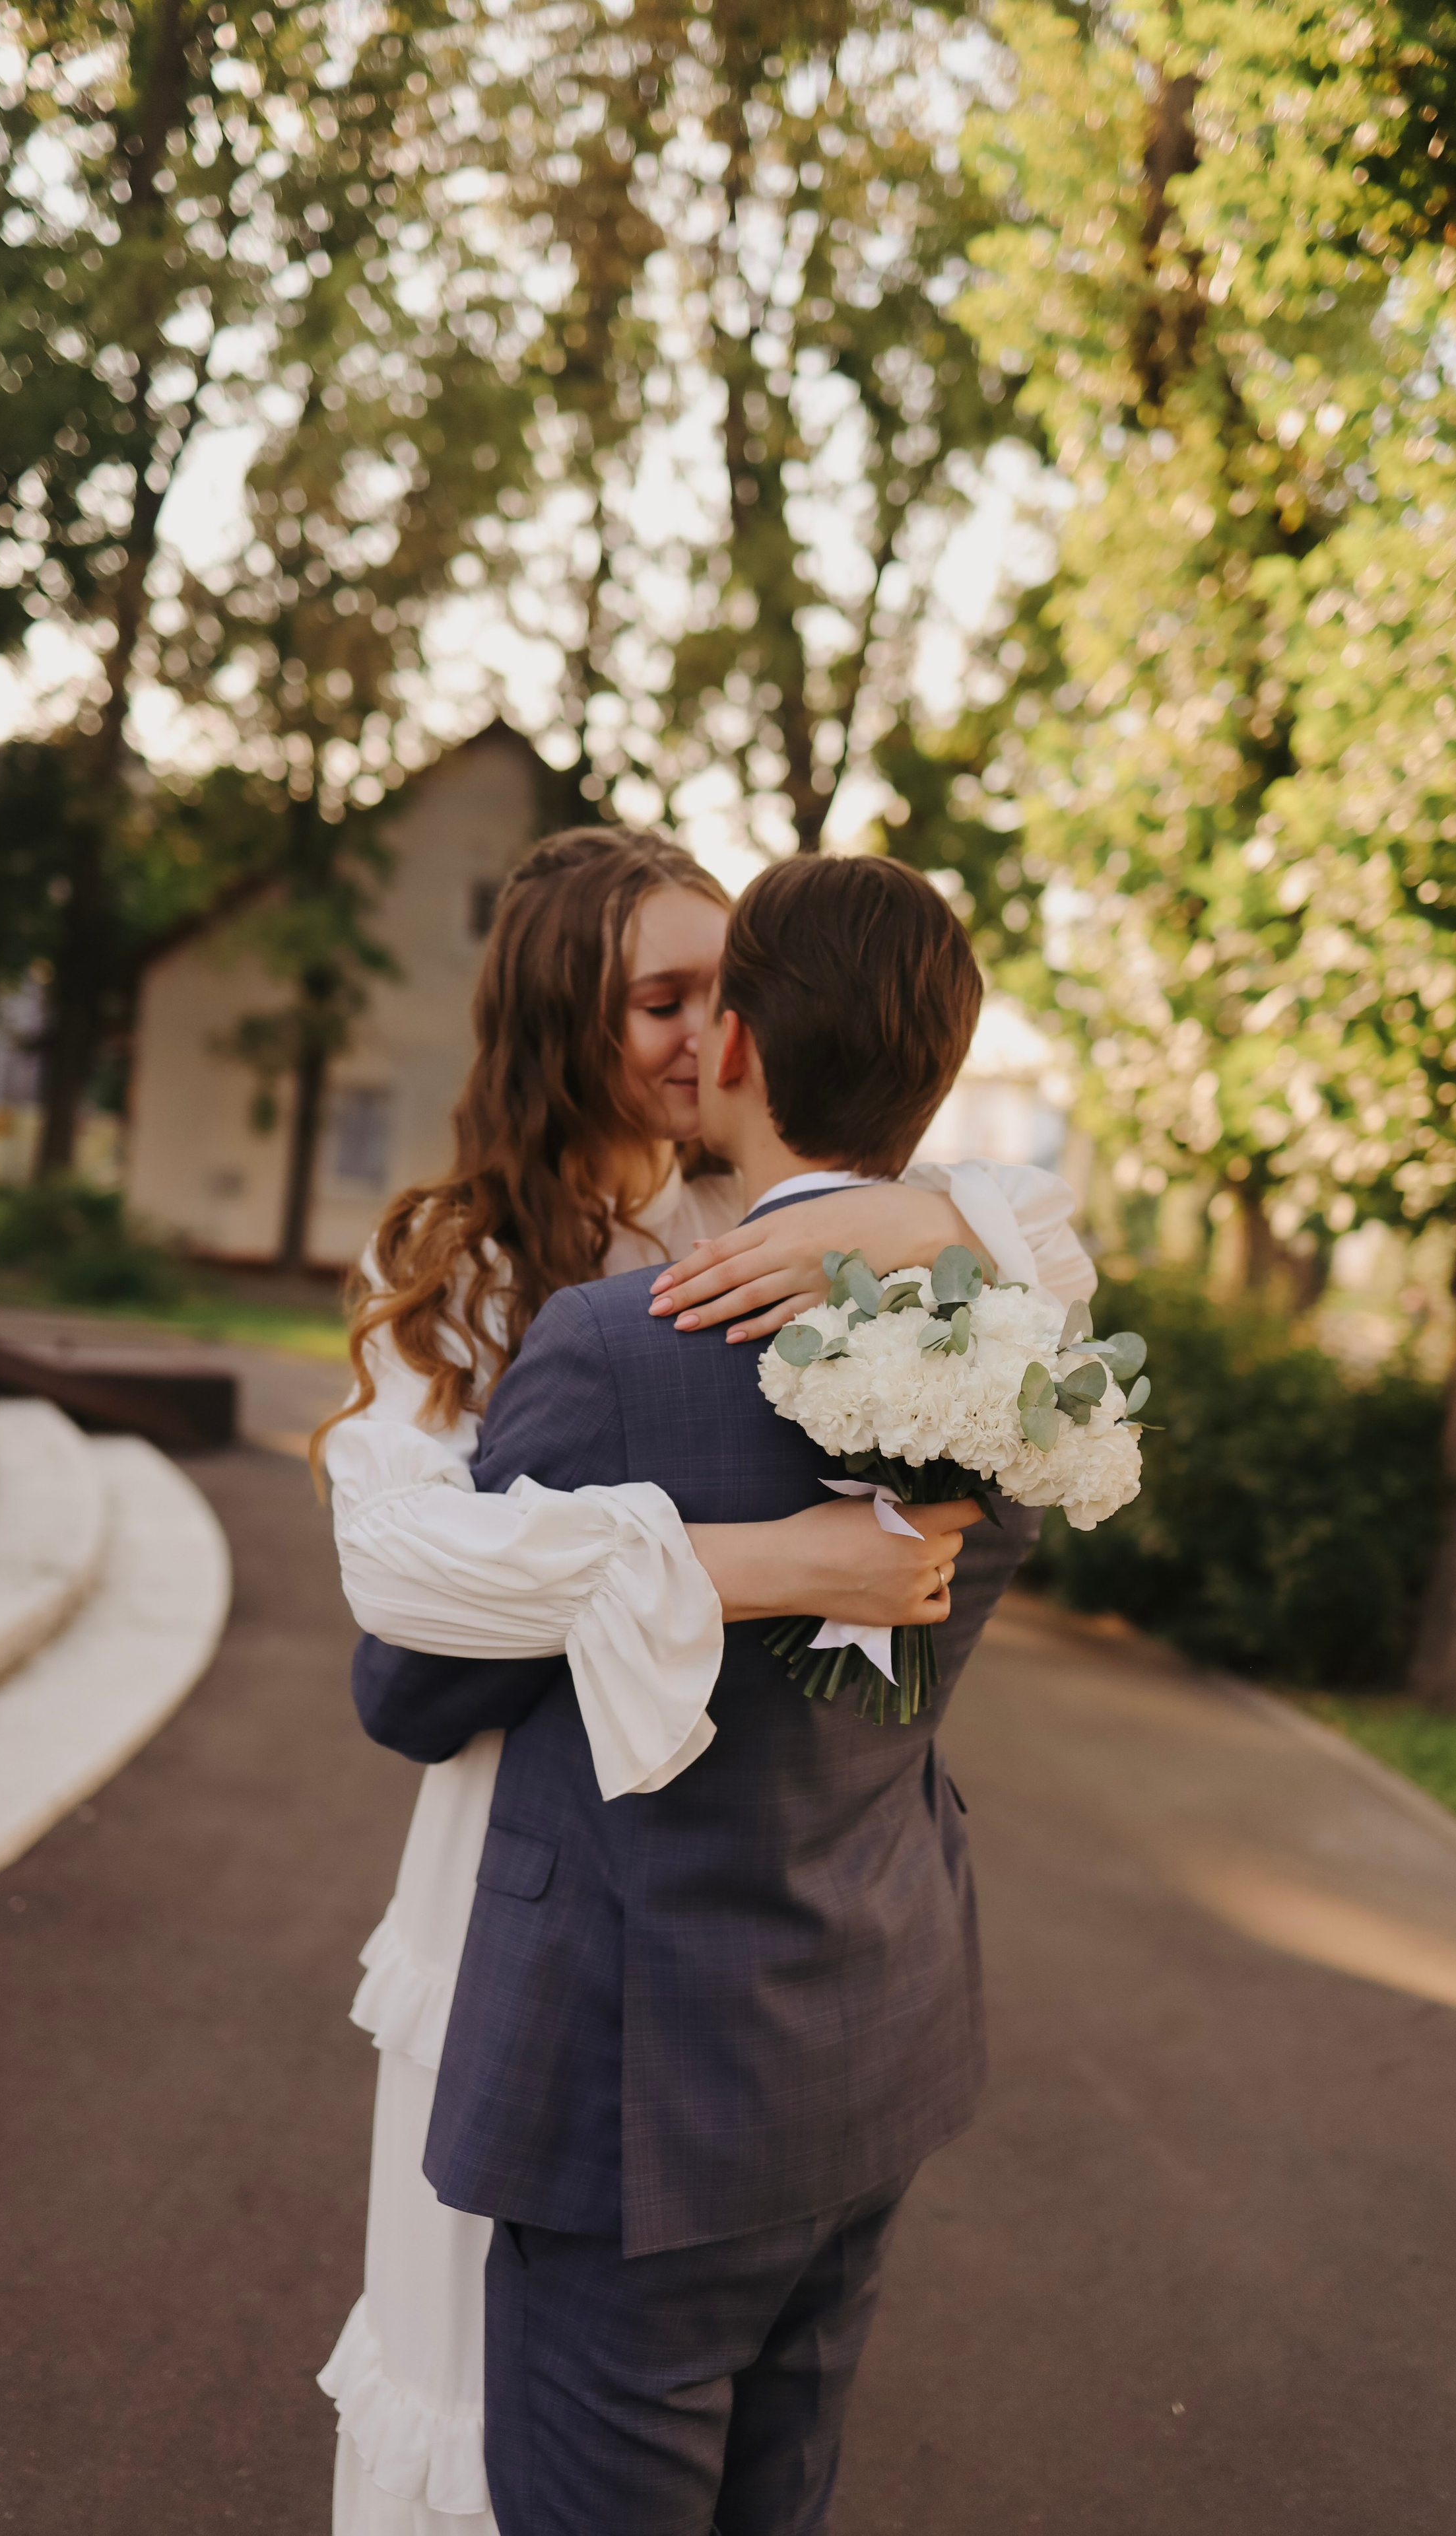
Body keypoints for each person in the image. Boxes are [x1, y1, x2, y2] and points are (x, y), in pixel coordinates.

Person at [316, 827, 1094, 2536]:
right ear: (559, 1023)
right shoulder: (473, 1275)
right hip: (625, 1946)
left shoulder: (750, 1284)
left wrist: (900, 1208)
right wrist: (741, 1561)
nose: (689, 1033)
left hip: (651, 2025)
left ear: (752, 1037)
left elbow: (421, 1673)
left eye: (709, 994)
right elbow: (407, 1647)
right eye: (652, 997)